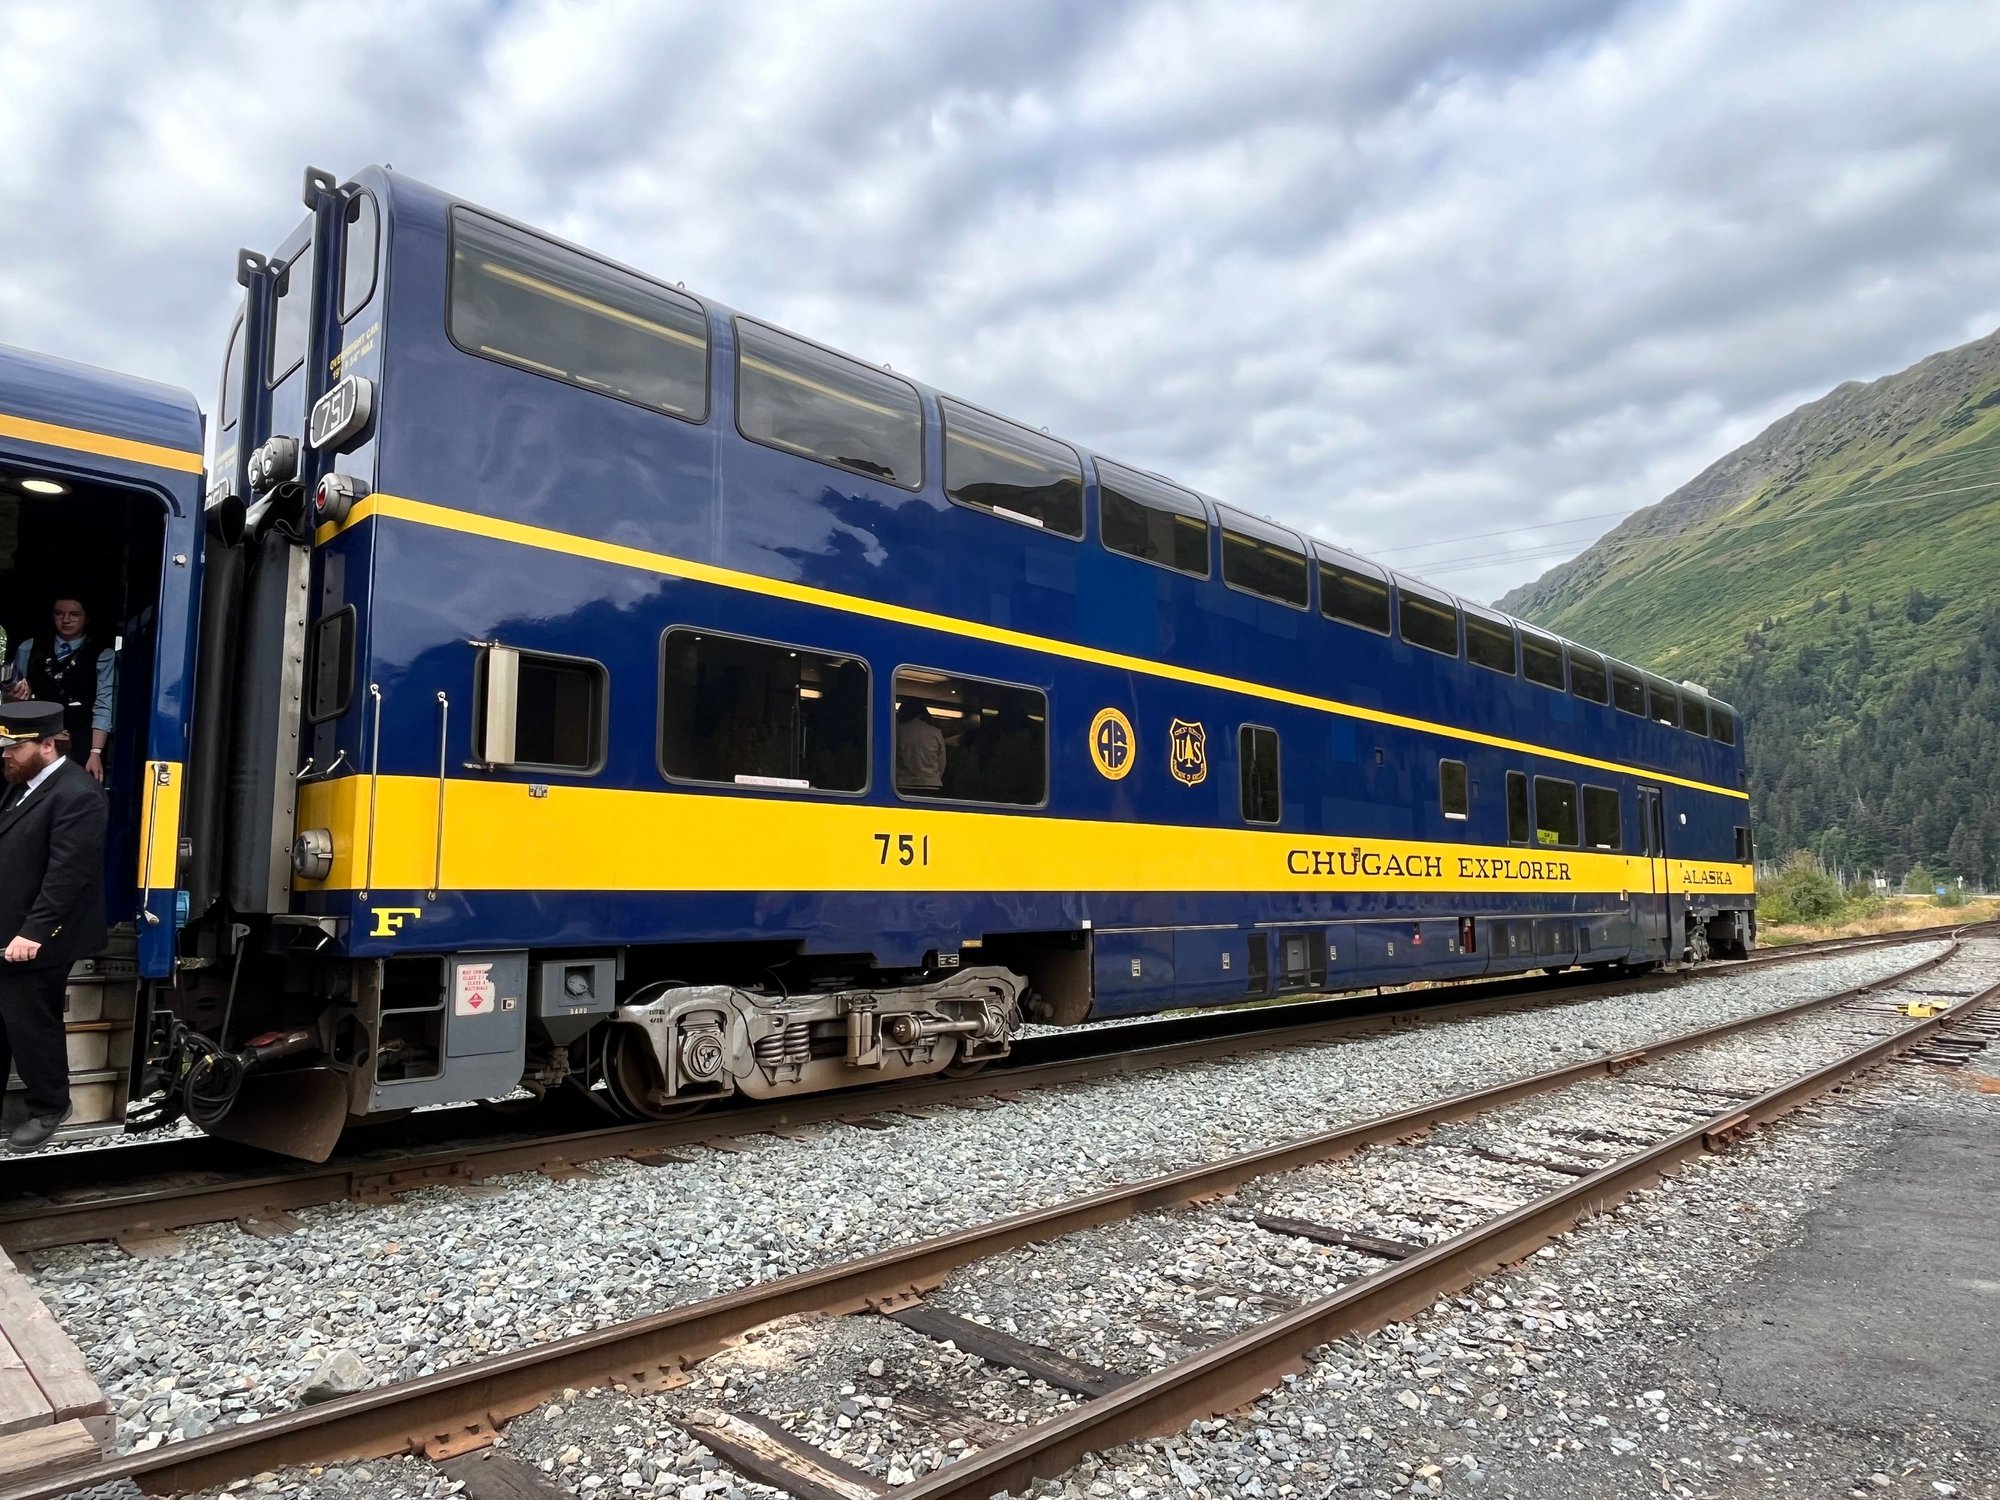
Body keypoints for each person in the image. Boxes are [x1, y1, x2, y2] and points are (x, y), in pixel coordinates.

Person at [0, 702, 107, 1152]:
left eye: (13, 746)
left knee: (31, 1023)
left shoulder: (77, 794)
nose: (4, 753)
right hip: (10, 931)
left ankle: (49, 1106)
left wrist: (34, 934)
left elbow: (68, 874)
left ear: (47, 745)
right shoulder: (21, 786)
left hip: (39, 938)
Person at [7, 596, 114, 782]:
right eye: (59, 614)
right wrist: (15, 693)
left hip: (81, 738)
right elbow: (13, 700)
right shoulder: (29, 647)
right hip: (36, 735)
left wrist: (95, 752)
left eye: (74, 614)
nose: (66, 620)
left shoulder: (102, 654)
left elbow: (104, 703)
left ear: (86, 618)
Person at [894, 698, 948, 794]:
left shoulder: (898, 731)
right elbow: (941, 763)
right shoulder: (936, 732)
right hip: (931, 784)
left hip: (903, 783)